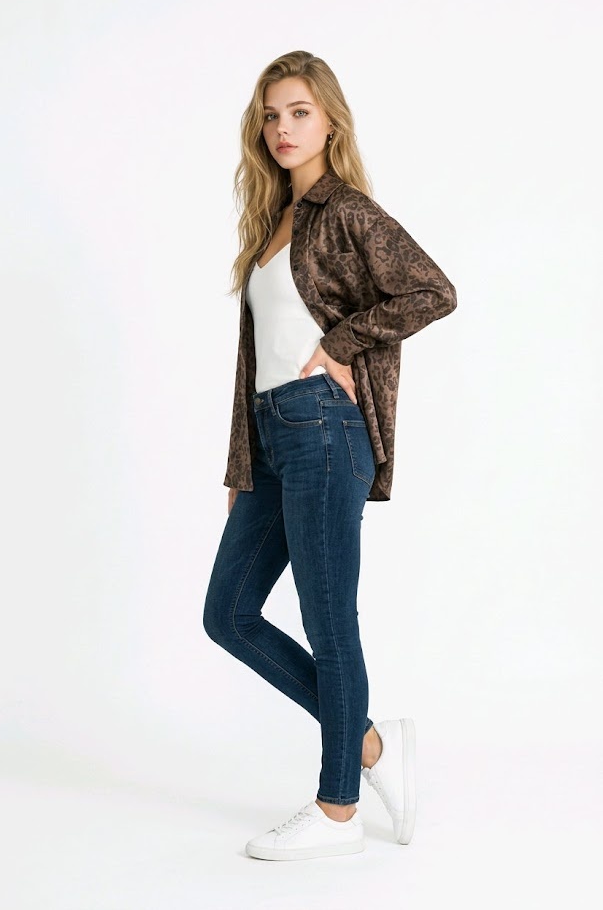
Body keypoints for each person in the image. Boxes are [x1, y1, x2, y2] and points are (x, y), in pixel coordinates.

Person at [203, 50, 457, 861]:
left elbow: (430, 289)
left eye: (298, 112)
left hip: (322, 428)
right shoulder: (271, 220)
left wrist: (343, 342)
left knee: (326, 618)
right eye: (271, 115)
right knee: (228, 614)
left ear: (329, 121)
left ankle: (338, 806)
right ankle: (373, 742)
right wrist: (242, 463)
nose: (282, 128)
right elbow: (256, 356)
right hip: (273, 435)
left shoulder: (344, 209)